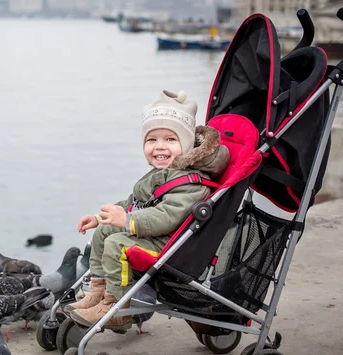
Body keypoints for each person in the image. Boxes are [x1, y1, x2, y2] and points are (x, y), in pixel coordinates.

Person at [66, 89, 229, 330]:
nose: (159, 146)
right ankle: (98, 294)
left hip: (169, 244)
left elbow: (166, 217)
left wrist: (128, 220)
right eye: (151, 140)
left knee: (116, 245)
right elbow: (136, 203)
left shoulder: (191, 183)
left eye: (170, 140)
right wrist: (101, 219)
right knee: (103, 234)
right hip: (152, 233)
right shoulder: (163, 173)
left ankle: (117, 307)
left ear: (185, 144)